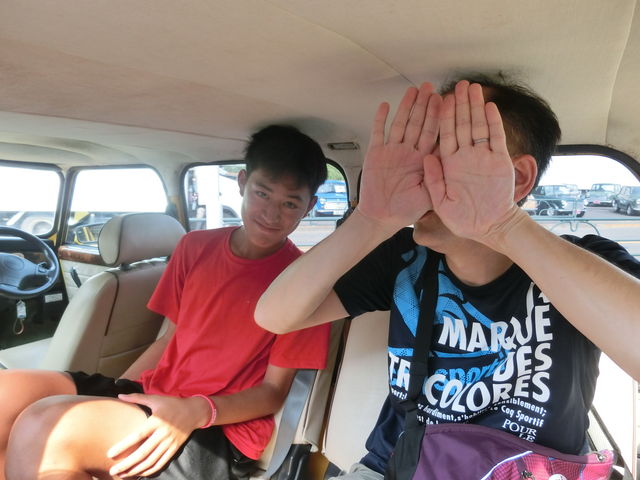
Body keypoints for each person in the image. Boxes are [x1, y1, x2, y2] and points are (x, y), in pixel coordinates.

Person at [255, 78, 640, 479]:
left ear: (519, 178)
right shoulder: (402, 259)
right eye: (419, 156)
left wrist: (505, 225)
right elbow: (274, 315)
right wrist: (370, 220)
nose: (422, 175)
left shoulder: (582, 264)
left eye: (450, 153)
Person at [1, 124, 331, 480]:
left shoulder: (305, 284)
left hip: (217, 427)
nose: (271, 213)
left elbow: (272, 392)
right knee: (7, 393)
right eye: (262, 193)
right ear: (241, 183)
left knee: (45, 426)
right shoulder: (194, 247)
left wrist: (198, 410)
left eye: (290, 203)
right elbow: (169, 339)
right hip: (156, 393)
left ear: (309, 206)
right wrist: (117, 393)